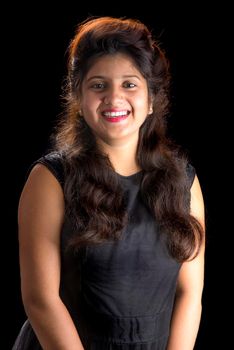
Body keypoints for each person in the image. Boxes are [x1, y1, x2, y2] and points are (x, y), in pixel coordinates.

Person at [13, 16, 205, 350]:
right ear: (79, 96)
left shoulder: (183, 180)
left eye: (129, 84)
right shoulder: (50, 179)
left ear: (151, 100)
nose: (114, 98)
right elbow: (40, 300)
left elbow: (190, 294)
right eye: (98, 85)